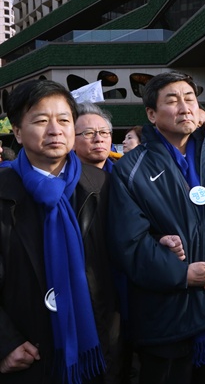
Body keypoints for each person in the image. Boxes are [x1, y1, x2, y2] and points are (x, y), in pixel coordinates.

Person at [107, 72, 205, 384]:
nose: (185, 107)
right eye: (172, 100)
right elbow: (128, 243)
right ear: (151, 114)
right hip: (166, 319)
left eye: (190, 99)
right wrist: (182, 274)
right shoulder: (130, 169)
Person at [0, 80, 121, 383]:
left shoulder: (102, 186)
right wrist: (5, 342)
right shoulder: (4, 191)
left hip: (96, 351)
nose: (55, 130)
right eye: (41, 121)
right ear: (16, 131)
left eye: (64, 120)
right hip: (27, 354)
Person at [73, 102, 114, 171]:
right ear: (72, 142)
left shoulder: (126, 174)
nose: (99, 139)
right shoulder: (60, 177)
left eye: (103, 132)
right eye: (89, 133)